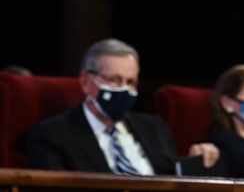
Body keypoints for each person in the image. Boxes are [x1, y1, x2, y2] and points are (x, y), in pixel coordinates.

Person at [25, 38, 219, 175]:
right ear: (85, 82)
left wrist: (196, 160)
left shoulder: (155, 128)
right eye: (115, 80)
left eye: (130, 82)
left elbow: (172, 180)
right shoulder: (52, 136)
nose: (124, 89)